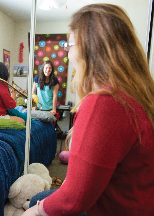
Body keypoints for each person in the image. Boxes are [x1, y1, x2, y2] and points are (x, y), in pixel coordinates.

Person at [23, 3, 154, 216]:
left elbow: (74, 199)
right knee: (42, 197)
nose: (68, 51)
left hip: (119, 209)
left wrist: (37, 212)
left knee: (38, 202)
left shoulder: (104, 102)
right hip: (140, 201)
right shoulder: (137, 93)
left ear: (88, 46)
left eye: (70, 44)